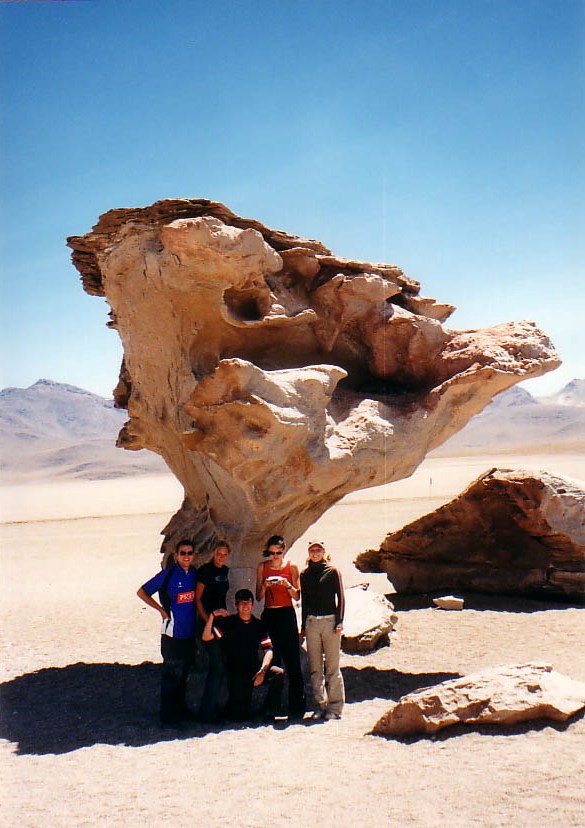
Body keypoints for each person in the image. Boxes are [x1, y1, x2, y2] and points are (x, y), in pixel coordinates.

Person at [137, 539, 198, 726]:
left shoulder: (194, 574)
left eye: (189, 553)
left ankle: (181, 710)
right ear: (176, 555)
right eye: (182, 553)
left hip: (189, 633)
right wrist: (161, 610)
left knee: (184, 674)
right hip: (172, 634)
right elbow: (142, 591)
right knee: (171, 675)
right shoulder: (168, 574)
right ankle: (168, 717)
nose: (186, 557)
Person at [202, 589, 283, 721]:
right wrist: (211, 616)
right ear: (236, 606)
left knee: (278, 673)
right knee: (240, 717)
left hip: (255, 669)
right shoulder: (229, 623)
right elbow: (206, 637)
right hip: (235, 673)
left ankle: (269, 710)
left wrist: (262, 671)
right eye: (241, 603)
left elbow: (268, 650)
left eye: (248, 602)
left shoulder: (259, 625)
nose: (245, 606)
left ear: (252, 605)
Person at [256, 534, 306, 718]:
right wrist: (265, 586)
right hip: (270, 615)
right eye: (271, 553)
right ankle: (273, 707)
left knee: (293, 661)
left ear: (283, 550)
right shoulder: (262, 567)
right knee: (273, 661)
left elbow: (297, 595)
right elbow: (258, 596)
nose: (275, 556)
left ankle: (297, 708)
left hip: (286, 614)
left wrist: (286, 585)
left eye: (278, 552)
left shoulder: (292, 567)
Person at [300, 539, 345, 720]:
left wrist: (339, 621)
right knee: (315, 668)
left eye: (318, 550)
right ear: (309, 553)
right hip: (312, 623)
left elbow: (341, 598)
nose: (315, 553)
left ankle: (334, 708)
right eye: (312, 550)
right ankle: (319, 706)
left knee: (332, 667)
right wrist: (303, 625)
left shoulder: (332, 572)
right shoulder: (304, 574)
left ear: (323, 552)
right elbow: (304, 602)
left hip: (330, 622)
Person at [194, 539, 231, 722]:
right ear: (213, 554)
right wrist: (207, 618)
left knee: (221, 665)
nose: (221, 557)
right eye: (219, 554)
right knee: (216, 666)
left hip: (221, 624)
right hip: (208, 624)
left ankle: (214, 707)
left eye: (225, 554)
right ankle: (206, 712)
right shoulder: (205, 571)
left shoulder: (225, 571)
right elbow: (198, 598)